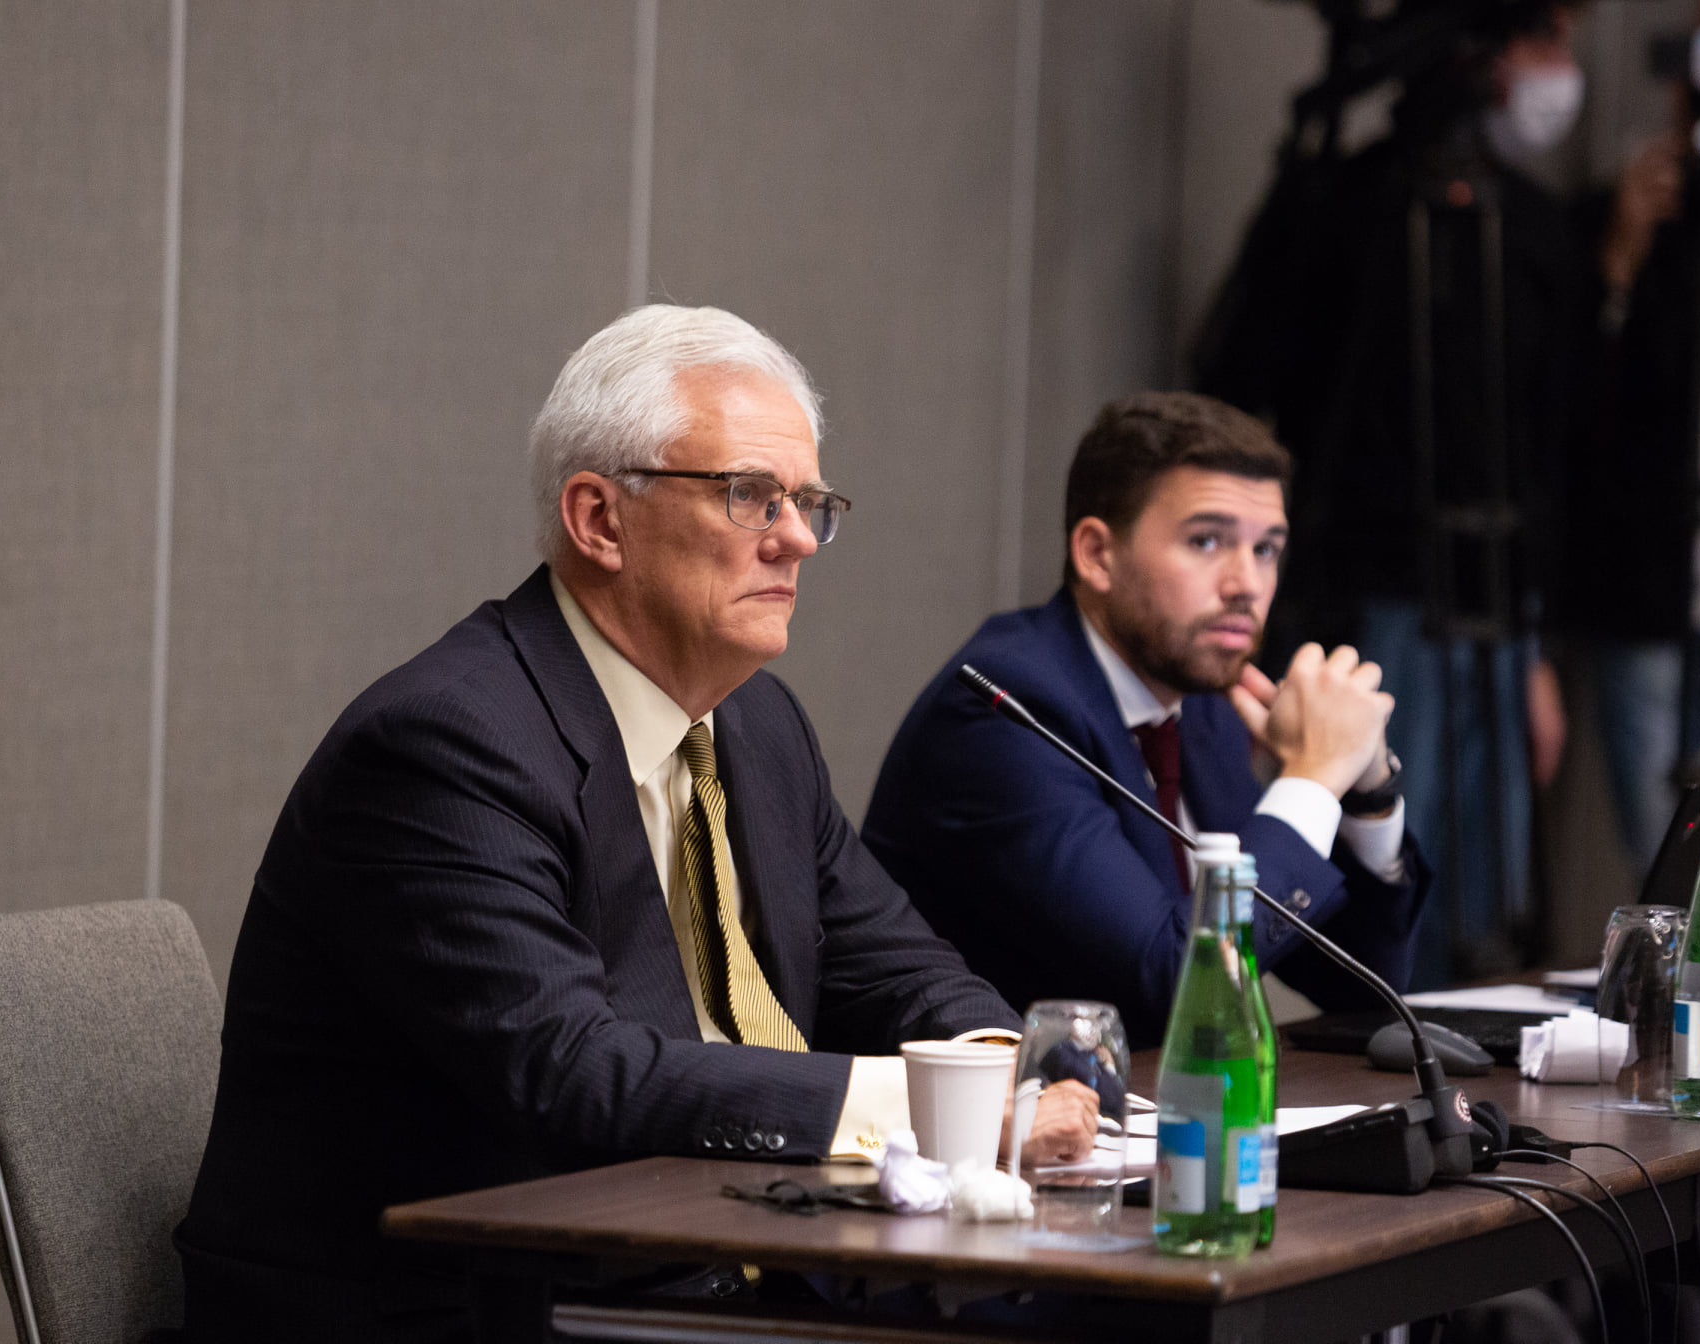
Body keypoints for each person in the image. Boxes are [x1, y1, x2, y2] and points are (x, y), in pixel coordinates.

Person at [175, 305, 1096, 1343]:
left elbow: (893, 968)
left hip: (711, 1278)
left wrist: (1004, 1065)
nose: (797, 538)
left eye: (807, 502)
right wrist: (941, 1112)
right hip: (461, 1310)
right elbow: (572, 1068)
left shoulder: (756, 725)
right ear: (599, 520)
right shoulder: (445, 745)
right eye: (751, 496)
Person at [1193, 2, 1585, 984]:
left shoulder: (1529, 226)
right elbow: (1241, 372)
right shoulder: (1350, 210)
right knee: (1391, 846)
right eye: (1544, 38)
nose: (1561, 67)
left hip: (1497, 601)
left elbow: (1545, 440)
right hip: (1372, 585)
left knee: (1483, 877)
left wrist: (1535, 644)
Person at [862, 393, 1428, 1048]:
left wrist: (1365, 792)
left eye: (1267, 549)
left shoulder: (1204, 707)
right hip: (984, 1106)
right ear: (1097, 554)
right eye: (1207, 541)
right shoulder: (1006, 710)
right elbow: (1169, 981)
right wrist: (1314, 777)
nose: (1246, 584)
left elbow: (1362, 987)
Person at [1565, 37, 1700, 872]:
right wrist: (1619, 254)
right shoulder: (1624, 217)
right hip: (1648, 589)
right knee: (1667, 858)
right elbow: (1566, 397)